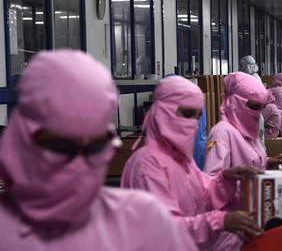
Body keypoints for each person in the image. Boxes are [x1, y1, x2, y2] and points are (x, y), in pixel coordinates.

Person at [0, 50, 196, 250]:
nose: (79, 165)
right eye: (60, 146)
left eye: (96, 147)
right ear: (20, 138)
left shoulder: (143, 222)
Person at [121, 75, 263, 250]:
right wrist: (219, 221)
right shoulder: (147, 164)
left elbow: (204, 194)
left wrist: (225, 179)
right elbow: (163, 230)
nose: (193, 124)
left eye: (197, 117)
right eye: (187, 114)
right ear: (164, 111)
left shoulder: (182, 162)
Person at [204, 73, 282, 236]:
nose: (258, 113)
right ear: (234, 102)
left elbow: (247, 163)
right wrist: (228, 176)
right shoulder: (222, 133)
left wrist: (268, 162)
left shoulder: (246, 131)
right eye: (253, 106)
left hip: (255, 221)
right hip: (233, 228)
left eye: (261, 107)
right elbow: (210, 182)